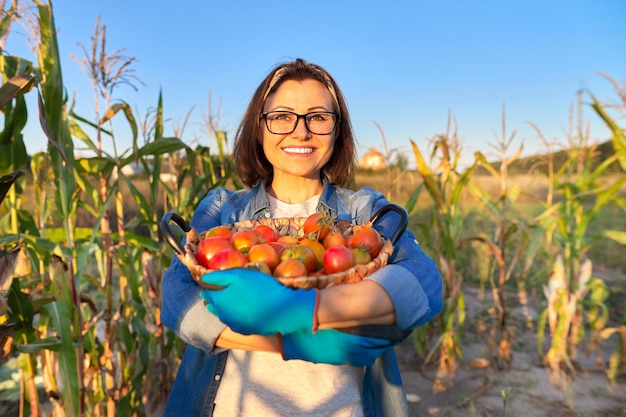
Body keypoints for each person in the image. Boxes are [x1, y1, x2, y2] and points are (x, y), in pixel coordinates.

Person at [161, 58, 443, 416]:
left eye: (318, 117)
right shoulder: (222, 210)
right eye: (281, 116)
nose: (301, 131)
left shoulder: (363, 211)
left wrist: (309, 309)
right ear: (259, 128)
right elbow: (177, 300)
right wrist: (292, 342)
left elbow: (423, 284)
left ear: (337, 131)